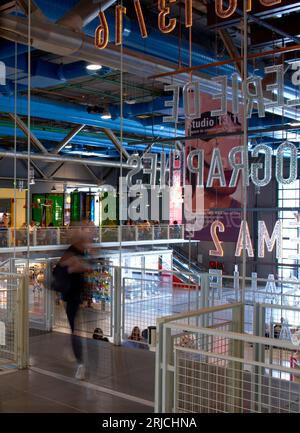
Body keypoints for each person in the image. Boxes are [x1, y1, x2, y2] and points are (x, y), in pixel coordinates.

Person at [54, 223, 92, 380]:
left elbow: (83, 267)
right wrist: (71, 267)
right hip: (69, 294)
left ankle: (80, 362)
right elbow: (63, 268)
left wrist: (75, 266)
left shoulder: (78, 250)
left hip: (74, 295)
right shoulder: (71, 250)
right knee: (74, 328)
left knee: (75, 328)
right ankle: (78, 359)